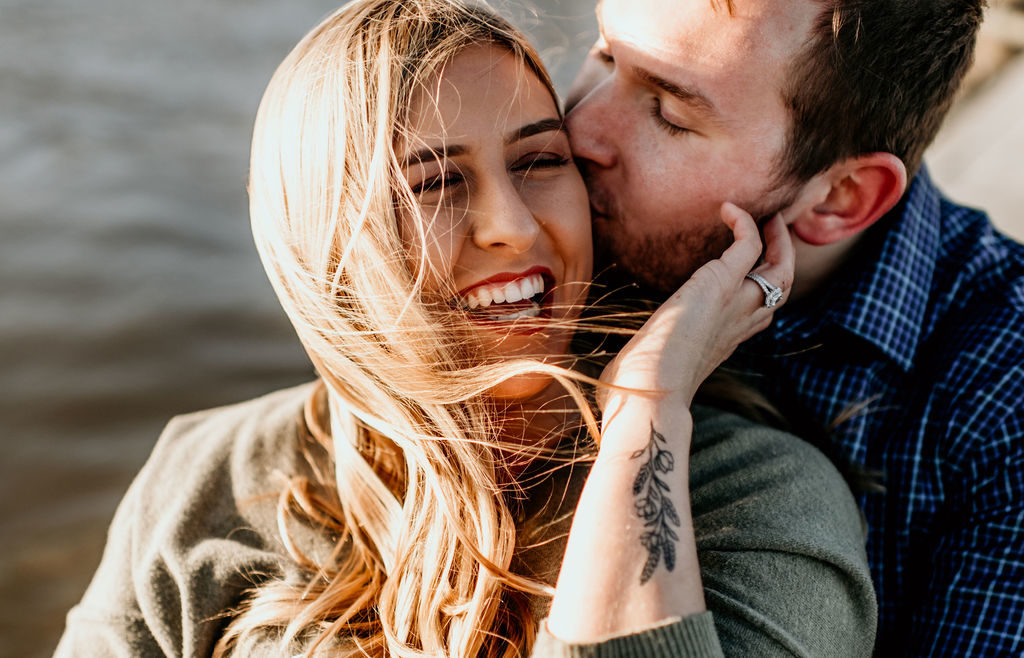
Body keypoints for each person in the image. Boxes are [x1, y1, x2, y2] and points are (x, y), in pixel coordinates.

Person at [54, 0, 876, 656]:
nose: (513, 228)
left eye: (539, 162)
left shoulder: (755, 498)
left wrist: (646, 405)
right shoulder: (209, 476)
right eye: (436, 181)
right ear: (323, 243)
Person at [564, 0, 1024, 654]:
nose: (579, 126)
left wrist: (647, 398)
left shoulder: (1004, 412)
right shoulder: (545, 233)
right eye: (606, 54)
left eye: (668, 114)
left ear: (840, 198)